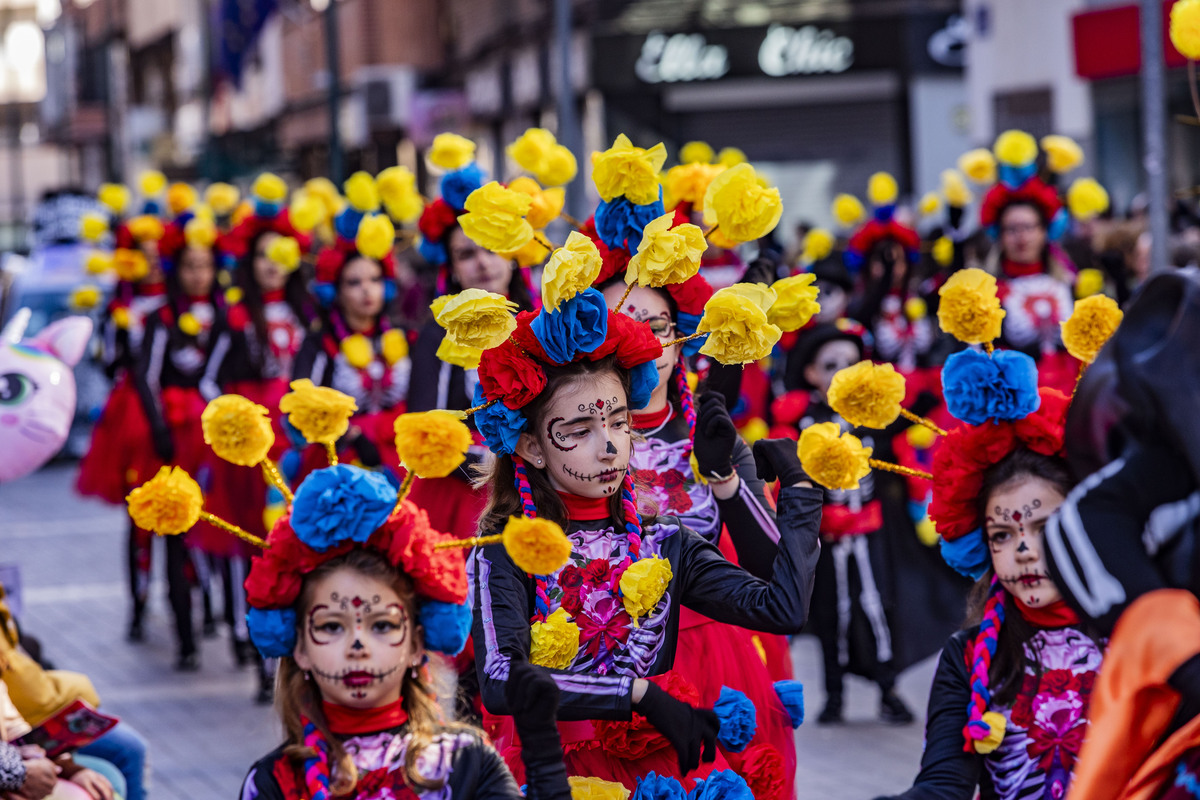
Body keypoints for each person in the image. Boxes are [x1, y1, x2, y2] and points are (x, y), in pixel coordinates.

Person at [465, 291, 822, 792]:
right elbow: (502, 680)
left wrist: (802, 500)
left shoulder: (666, 541)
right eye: (580, 429)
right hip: (556, 772)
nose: (609, 446)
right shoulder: (504, 550)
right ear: (532, 446)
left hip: (659, 776)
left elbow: (781, 610)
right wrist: (638, 695)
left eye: (617, 422)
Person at [231, 449, 571, 798]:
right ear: (299, 646)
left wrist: (541, 748)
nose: (357, 647)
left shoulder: (467, 764)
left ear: (416, 643)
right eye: (332, 626)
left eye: (382, 626)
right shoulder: (272, 783)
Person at [597, 262, 798, 794]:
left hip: (717, 657)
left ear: (681, 338)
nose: (643, 341)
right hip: (609, 661)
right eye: (625, 323)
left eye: (658, 326)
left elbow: (775, 571)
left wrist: (725, 478)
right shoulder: (569, 445)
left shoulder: (713, 437)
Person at [204, 188, 316, 697]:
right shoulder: (234, 314)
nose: (273, 265)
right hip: (252, 446)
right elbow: (209, 380)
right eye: (263, 255)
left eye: (281, 254)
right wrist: (236, 422)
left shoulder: (309, 312)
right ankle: (253, 647)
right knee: (252, 541)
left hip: (299, 438)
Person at [782, 321, 915, 725]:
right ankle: (834, 693)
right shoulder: (803, 423)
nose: (841, 372)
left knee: (877, 607)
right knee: (831, 612)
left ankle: (888, 688)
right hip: (828, 537)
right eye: (830, 364)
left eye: (849, 364)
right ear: (811, 373)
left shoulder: (873, 420)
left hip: (871, 533)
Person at [131, 212, 225, 671]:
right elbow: (144, 376)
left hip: (216, 435)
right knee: (176, 533)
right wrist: (161, 432)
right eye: (189, 266)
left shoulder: (226, 315)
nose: (198, 275)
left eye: (205, 265)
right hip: (173, 438)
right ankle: (185, 635)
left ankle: (228, 624)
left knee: (223, 531)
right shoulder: (161, 319)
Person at [74, 199, 170, 646]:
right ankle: (139, 600)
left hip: (177, 412)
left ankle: (197, 605)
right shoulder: (121, 307)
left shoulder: (180, 303)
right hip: (132, 419)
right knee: (140, 517)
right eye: (142, 254)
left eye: (157, 253)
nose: (151, 263)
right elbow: (108, 362)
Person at [291, 203, 411, 477]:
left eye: (375, 279)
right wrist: (352, 436)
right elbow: (301, 404)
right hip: (340, 461)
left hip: (404, 457)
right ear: (335, 290)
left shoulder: (405, 335)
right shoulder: (320, 343)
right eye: (354, 283)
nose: (367, 290)